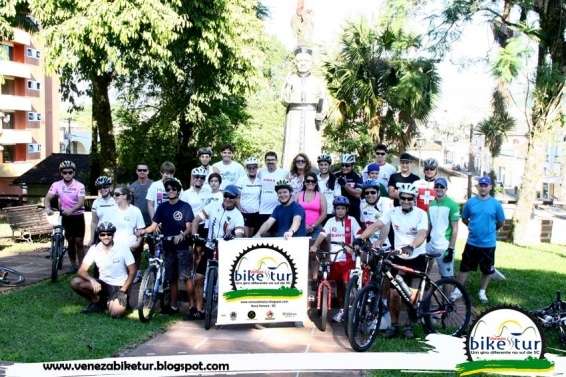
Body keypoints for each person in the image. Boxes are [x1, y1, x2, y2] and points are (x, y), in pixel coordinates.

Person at [359, 183, 428, 339]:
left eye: (409, 198)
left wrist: (412, 246)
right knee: (394, 294)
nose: (406, 201)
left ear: (414, 199)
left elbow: (422, 233)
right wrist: (361, 238)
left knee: (412, 296)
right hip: (398, 256)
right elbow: (376, 225)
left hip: (417, 256)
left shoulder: (421, 214)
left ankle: (409, 325)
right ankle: (395, 324)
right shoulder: (393, 212)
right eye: (403, 198)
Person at [190, 184, 245, 320]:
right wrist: (194, 234)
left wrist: (232, 236)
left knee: (227, 281)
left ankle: (227, 312)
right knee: (198, 278)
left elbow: (239, 234)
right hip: (209, 246)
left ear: (236, 198)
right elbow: (196, 220)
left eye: (231, 197)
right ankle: (199, 309)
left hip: (225, 249)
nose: (227, 198)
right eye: (226, 195)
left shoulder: (238, 215)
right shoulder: (213, 207)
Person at [139, 178, 194, 314]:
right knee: (172, 278)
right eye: (168, 189)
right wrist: (143, 231)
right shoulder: (162, 207)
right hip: (167, 246)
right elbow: (154, 225)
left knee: (185, 277)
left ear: (178, 191)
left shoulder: (185, 206)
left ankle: (193, 307)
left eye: (173, 189)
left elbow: (189, 226)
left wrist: (182, 235)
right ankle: (173, 306)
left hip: (182, 247)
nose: (170, 191)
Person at [451, 176, 505, 304]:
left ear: (490, 187)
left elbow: (501, 222)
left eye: (486, 185)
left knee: (487, 269)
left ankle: (482, 291)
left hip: (488, 244)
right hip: (472, 242)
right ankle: (458, 290)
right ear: (478, 187)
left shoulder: (496, 204)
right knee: (465, 267)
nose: (483, 187)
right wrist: (473, 227)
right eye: (481, 185)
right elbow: (464, 218)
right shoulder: (470, 203)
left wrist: (490, 230)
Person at [310, 196, 361, 323]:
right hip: (333, 258)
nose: (340, 211)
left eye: (343, 208)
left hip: (348, 259)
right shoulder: (330, 221)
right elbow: (322, 234)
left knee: (346, 285)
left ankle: (346, 311)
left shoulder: (352, 221)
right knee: (336, 285)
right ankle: (326, 304)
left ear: (347, 209)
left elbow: (359, 236)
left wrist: (354, 247)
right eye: (338, 208)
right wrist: (315, 245)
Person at [70, 222, 136, 317]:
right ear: (99, 236)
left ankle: (111, 303)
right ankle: (96, 301)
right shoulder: (94, 249)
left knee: (115, 312)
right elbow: (81, 270)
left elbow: (132, 271)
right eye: (103, 234)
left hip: (119, 286)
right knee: (75, 282)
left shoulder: (123, 248)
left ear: (113, 234)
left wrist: (123, 289)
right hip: (103, 284)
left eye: (109, 234)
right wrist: (92, 280)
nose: (106, 236)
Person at [44, 160, 86, 272]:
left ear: (74, 173)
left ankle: (82, 267)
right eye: (65, 172)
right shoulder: (56, 185)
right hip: (65, 217)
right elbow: (48, 198)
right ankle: (73, 265)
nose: (67, 174)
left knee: (79, 242)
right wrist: (47, 208)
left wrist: (71, 210)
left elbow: (81, 202)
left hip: (77, 216)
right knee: (71, 241)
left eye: (70, 172)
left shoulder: (79, 186)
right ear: (61, 173)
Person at [427, 177, 460, 279]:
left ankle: (446, 296)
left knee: (447, 278)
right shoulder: (431, 204)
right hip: (431, 244)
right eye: (437, 186)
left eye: (442, 186)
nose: (439, 188)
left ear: (446, 189)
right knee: (424, 272)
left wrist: (451, 249)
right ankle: (426, 291)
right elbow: (429, 225)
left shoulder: (452, 205)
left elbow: (455, 229)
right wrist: (425, 239)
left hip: (444, 246)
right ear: (434, 188)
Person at [107, 186, 145, 253]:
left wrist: (137, 244)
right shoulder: (110, 210)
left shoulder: (136, 211)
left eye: (117, 194)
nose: (114, 196)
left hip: (131, 248)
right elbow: (107, 230)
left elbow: (141, 230)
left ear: (125, 196)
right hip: (114, 248)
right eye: (113, 194)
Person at [258, 152, 289, 230]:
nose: (270, 162)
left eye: (272, 159)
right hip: (263, 209)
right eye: (268, 160)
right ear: (265, 161)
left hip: (278, 209)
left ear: (277, 161)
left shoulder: (284, 173)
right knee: (264, 234)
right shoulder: (260, 172)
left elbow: (288, 190)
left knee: (277, 235)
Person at [359, 179, 393, 247]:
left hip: (387, 241)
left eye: (373, 192)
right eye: (367, 193)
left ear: (378, 192)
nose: (370, 195)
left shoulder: (386, 202)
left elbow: (386, 224)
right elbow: (363, 223)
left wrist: (380, 241)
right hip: (371, 242)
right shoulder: (362, 203)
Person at [180, 167, 212, 236]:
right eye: (197, 177)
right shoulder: (186, 194)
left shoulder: (208, 192)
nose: (199, 179)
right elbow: (182, 211)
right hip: (190, 225)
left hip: (205, 225)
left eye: (202, 177)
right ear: (193, 178)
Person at [236, 157, 262, 236]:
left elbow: (261, 196)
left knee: (253, 237)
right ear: (246, 168)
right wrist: (241, 209)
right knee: (246, 237)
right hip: (244, 213)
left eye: (254, 167)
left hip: (256, 213)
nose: (252, 169)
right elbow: (237, 197)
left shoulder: (260, 180)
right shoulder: (241, 180)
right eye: (249, 168)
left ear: (257, 168)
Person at [297, 172, 327, 239]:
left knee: (314, 247)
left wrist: (313, 226)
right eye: (308, 181)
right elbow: (294, 212)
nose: (310, 183)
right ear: (304, 182)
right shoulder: (298, 195)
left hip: (316, 228)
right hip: (300, 227)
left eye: (313, 181)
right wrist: (304, 225)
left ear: (316, 183)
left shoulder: (321, 196)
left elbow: (324, 213)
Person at [335, 153, 363, 223]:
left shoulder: (357, 176)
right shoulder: (335, 175)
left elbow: (357, 194)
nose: (344, 167)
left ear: (352, 166)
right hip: (339, 209)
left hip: (353, 208)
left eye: (347, 165)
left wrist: (345, 185)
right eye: (342, 165)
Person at [90, 176, 116, 245]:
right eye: (99, 187)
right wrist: (92, 239)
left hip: (114, 233)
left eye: (105, 187)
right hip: (101, 233)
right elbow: (94, 222)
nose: (102, 189)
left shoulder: (116, 201)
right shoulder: (96, 202)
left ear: (110, 187)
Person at [316, 153, 340, 221]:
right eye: (321, 165)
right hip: (317, 212)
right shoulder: (315, 179)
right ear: (318, 165)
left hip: (330, 212)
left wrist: (335, 210)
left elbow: (337, 197)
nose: (323, 167)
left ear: (329, 165)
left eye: (325, 164)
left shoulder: (334, 180)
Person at [129, 163, 153, 227]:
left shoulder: (154, 185)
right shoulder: (132, 187)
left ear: (148, 171)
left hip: (152, 221)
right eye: (140, 170)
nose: (142, 172)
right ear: (136, 171)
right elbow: (129, 205)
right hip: (137, 221)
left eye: (144, 170)